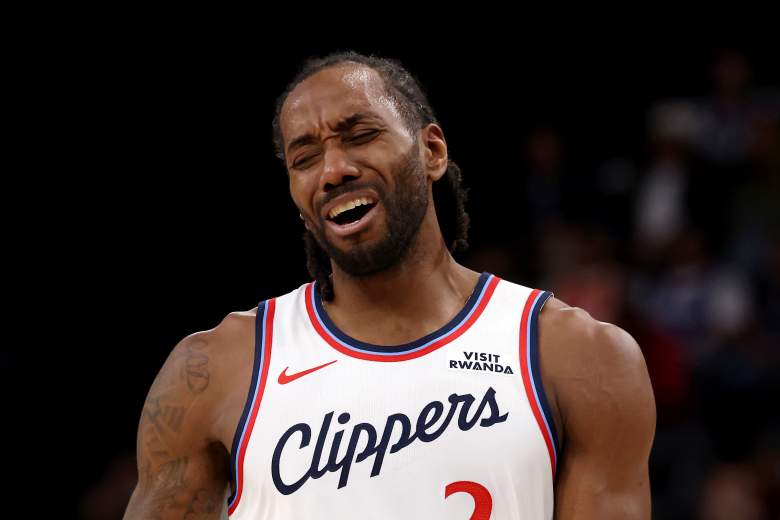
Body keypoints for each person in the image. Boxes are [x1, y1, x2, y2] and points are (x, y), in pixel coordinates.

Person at [123, 51, 656, 519]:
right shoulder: (216, 368)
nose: (333, 170)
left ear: (432, 152)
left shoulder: (578, 357)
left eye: (360, 136)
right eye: (305, 158)